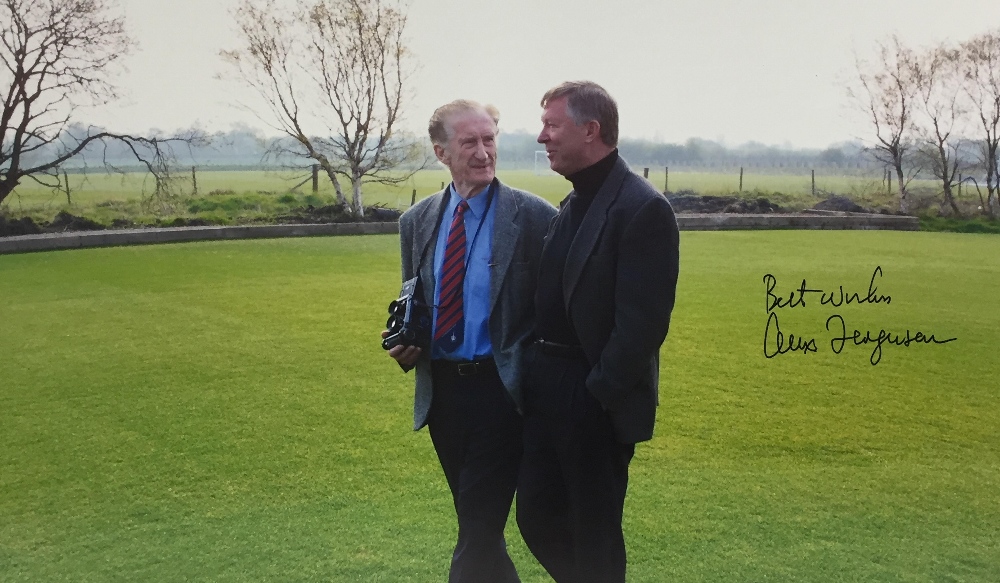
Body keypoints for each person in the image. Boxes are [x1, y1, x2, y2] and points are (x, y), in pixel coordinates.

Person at [384, 99, 556, 582]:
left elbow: (555, 316)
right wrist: (407, 340)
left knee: (477, 532)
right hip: (442, 396)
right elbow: (414, 298)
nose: (484, 152)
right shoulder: (416, 222)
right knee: (480, 530)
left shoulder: (537, 218)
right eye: (469, 143)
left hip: (504, 394)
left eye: (489, 139)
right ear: (442, 152)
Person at [516, 81, 680, 582]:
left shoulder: (642, 207)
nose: (542, 136)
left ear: (591, 130)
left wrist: (596, 393)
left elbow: (643, 324)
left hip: (591, 392)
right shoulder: (574, 201)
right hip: (548, 384)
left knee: (595, 533)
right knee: (536, 516)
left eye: (552, 125)